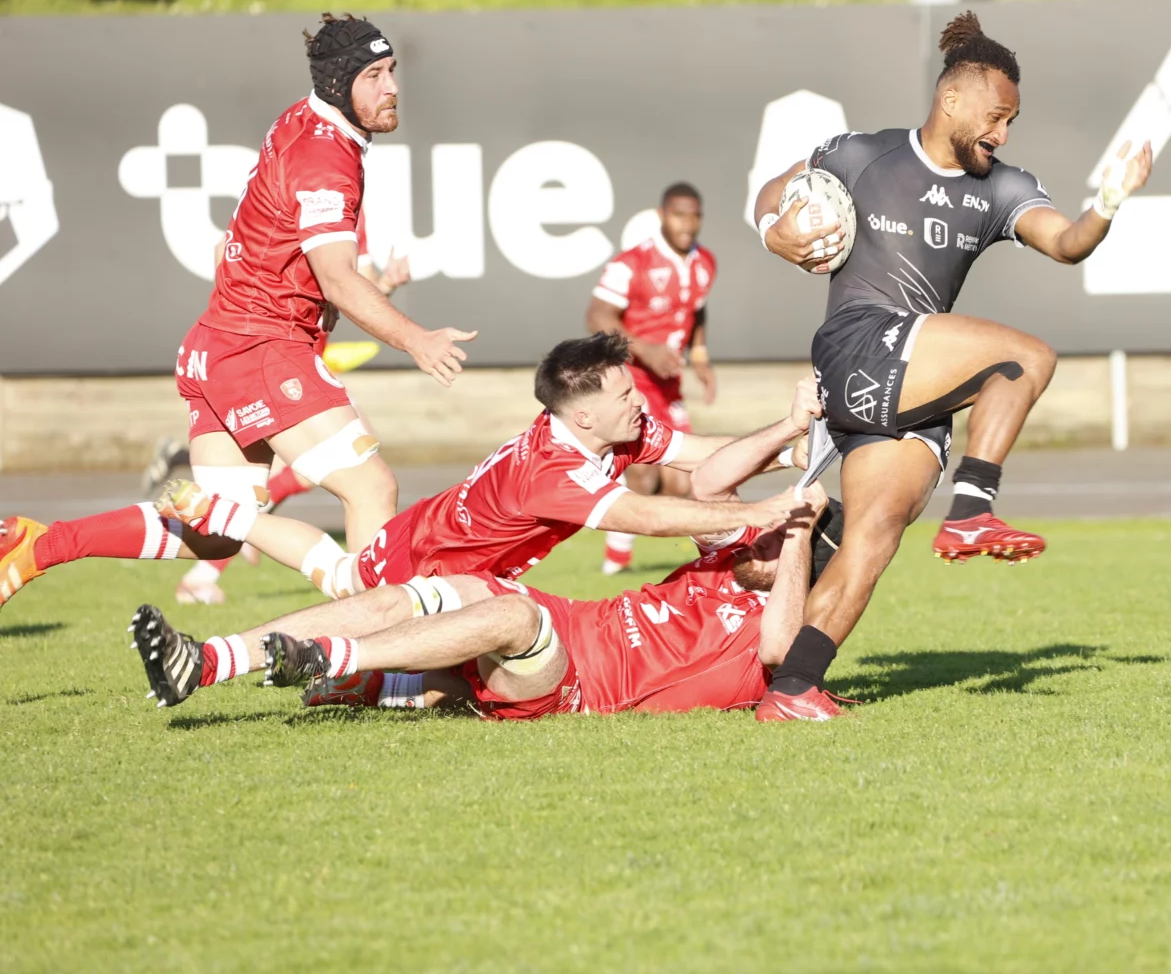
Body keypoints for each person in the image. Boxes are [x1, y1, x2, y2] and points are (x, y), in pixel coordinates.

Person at [746, 11, 1154, 721]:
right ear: (952, 100)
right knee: (1026, 356)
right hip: (858, 344)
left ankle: (792, 688)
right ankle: (973, 511)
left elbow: (1066, 243)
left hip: (913, 385)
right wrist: (774, 233)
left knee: (873, 540)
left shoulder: (1000, 187)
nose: (1001, 133)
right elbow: (769, 197)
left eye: (1012, 123)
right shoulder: (861, 154)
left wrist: (1110, 203)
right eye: (996, 117)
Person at [0, 14, 475, 612]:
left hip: (218, 342)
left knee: (220, 528)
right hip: (260, 347)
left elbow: (290, 257)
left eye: (392, 71)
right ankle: (377, 661)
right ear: (337, 84)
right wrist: (416, 340)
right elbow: (335, 278)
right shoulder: (326, 157)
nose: (392, 87)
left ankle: (40, 546)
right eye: (374, 75)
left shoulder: (303, 123)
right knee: (371, 487)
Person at [136, 332, 817, 695]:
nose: (641, 402)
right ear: (583, 412)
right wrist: (765, 513)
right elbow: (648, 518)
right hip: (428, 558)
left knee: (345, 581)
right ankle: (239, 547)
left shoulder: (605, 431)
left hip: (443, 546)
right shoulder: (554, 474)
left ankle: (232, 552)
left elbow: (703, 457)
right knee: (353, 592)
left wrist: (790, 446)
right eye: (625, 392)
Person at [160, 241, 414, 606]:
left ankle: (235, 537)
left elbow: (354, 288)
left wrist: (386, 284)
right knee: (356, 473)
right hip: (279, 364)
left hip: (299, 362)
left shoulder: (351, 208)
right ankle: (373, 604)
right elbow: (227, 255)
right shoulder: (309, 195)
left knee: (348, 470)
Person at [585, 182, 718, 576]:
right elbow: (597, 315)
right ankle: (615, 564)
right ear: (662, 216)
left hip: (668, 382)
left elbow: (698, 313)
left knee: (682, 482)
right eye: (679, 214)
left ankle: (706, 564)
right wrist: (645, 350)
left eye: (694, 215)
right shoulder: (633, 263)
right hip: (632, 377)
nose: (687, 224)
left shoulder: (705, 262)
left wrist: (700, 356)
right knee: (643, 470)